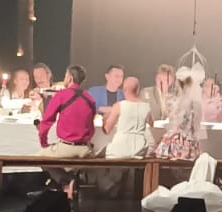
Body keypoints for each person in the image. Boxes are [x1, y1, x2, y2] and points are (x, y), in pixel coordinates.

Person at [40, 65, 99, 197]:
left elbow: (47, 120)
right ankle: (71, 180)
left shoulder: (62, 95)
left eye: (65, 76)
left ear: (70, 78)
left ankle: (65, 181)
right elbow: (91, 127)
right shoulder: (90, 98)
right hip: (85, 150)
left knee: (40, 156)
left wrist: (44, 142)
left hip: (67, 147)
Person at [152, 65, 204, 161]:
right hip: (191, 143)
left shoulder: (176, 102)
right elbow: (197, 126)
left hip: (176, 142)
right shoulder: (196, 104)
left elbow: (173, 123)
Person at [104, 76, 153, 159]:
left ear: (124, 89)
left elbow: (107, 130)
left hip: (120, 148)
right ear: (138, 90)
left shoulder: (119, 106)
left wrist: (104, 119)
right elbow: (152, 124)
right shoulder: (146, 107)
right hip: (140, 149)